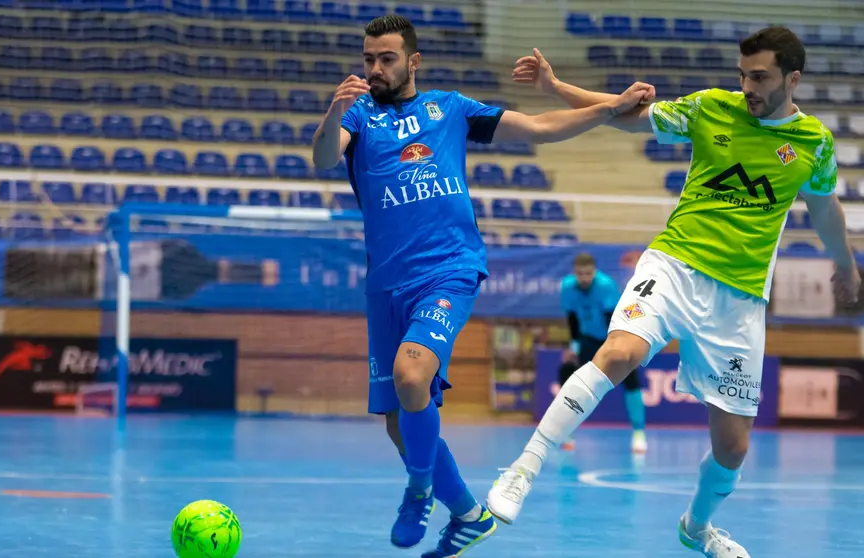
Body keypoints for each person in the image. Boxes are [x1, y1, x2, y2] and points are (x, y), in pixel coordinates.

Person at [486, 26, 860, 558]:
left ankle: (696, 528)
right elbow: (625, 115)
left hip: (740, 300)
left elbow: (824, 209)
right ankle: (523, 468)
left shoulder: (813, 144)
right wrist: (556, 88)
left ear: (791, 78)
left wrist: (844, 263)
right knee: (619, 353)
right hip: (675, 264)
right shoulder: (711, 108)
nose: (748, 86)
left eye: (760, 77)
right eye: (743, 74)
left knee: (732, 447)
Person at [311, 13, 653, 558]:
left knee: (410, 373)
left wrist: (611, 107)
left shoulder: (450, 108)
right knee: (402, 424)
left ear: (413, 61)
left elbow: (539, 128)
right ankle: (469, 516)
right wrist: (332, 115)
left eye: (387, 59)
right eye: (369, 59)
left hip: (449, 268)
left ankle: (420, 490)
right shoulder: (357, 114)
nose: (375, 69)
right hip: (386, 284)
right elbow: (324, 157)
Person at [558, 252, 647, 453]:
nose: (584, 278)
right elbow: (572, 318)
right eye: (580, 274)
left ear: (594, 272)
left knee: (631, 378)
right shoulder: (566, 287)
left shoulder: (605, 285)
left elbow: (613, 317)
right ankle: (567, 431)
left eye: (588, 274)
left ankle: (639, 433)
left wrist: (616, 347)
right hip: (588, 338)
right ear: (574, 273)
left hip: (613, 335)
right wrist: (574, 347)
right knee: (571, 377)